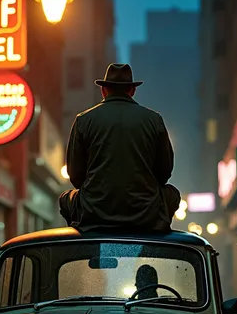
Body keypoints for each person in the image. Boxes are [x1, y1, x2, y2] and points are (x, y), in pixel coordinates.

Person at [59, 63, 181, 233]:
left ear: (103, 90)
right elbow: (164, 174)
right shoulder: (154, 120)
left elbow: (76, 177)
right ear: (132, 91)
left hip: (93, 213)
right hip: (146, 214)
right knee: (172, 194)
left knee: (65, 198)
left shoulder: (83, 120)